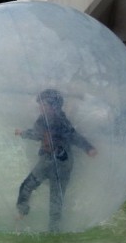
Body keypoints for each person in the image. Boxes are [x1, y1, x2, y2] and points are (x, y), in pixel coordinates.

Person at [15, 89, 97, 232]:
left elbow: (74, 136)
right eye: (39, 104)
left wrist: (88, 148)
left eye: (43, 104)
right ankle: (22, 213)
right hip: (47, 160)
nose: (40, 107)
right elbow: (37, 135)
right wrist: (23, 133)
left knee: (55, 198)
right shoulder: (42, 119)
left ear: (53, 106)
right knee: (27, 187)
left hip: (61, 163)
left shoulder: (61, 121)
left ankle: (53, 229)